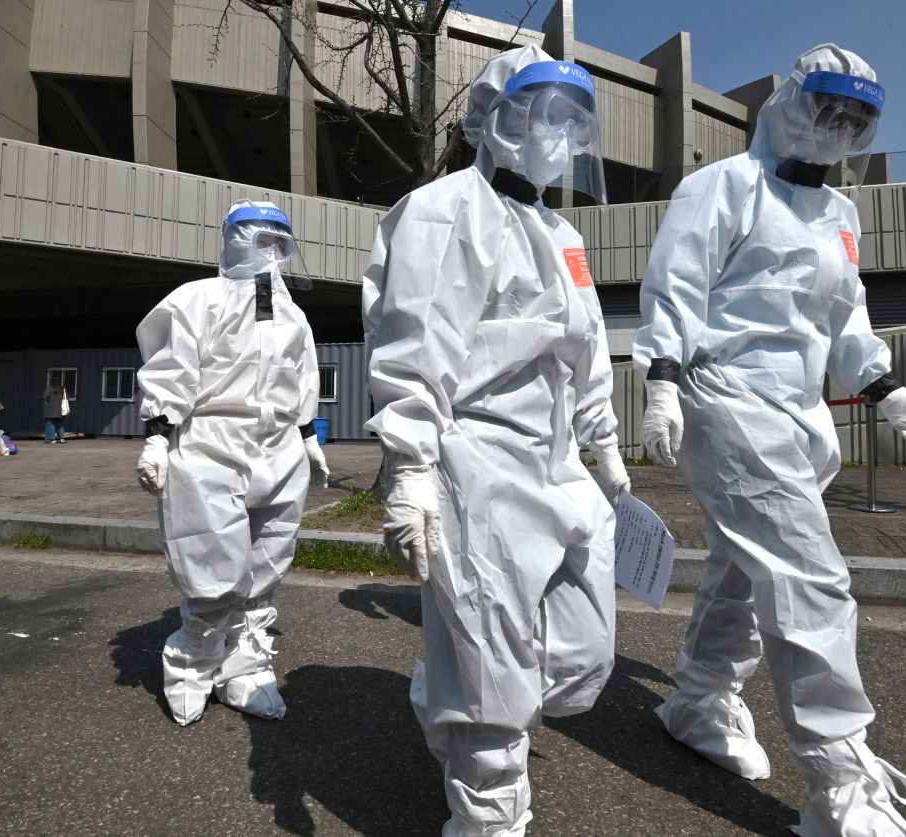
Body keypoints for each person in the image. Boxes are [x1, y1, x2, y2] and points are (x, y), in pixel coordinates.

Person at [633, 44, 906, 837]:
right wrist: (662, 379)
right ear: (788, 103)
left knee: (746, 565)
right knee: (810, 576)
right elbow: (675, 284)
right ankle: (839, 784)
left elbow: (844, 316)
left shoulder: (840, 215)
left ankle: (699, 697)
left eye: (855, 121)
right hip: (726, 395)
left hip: (800, 412)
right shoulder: (724, 188)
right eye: (826, 110)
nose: (836, 130)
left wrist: (884, 387)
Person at [363, 46, 630, 836]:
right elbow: (413, 344)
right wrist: (409, 466)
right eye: (541, 110)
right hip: (472, 462)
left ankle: (451, 683)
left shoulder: (562, 233)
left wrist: (604, 444)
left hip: (556, 467)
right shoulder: (446, 209)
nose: (557, 132)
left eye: (572, 118)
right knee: (494, 682)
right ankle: (487, 813)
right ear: (494, 115)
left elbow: (586, 349)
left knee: (583, 656)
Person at [134, 199, 330, 726]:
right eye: (257, 237)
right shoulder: (196, 299)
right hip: (210, 444)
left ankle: (245, 671)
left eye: (277, 239)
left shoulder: (292, 314)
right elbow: (172, 366)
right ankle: (192, 665)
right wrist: (158, 433)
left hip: (281, 447)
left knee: (267, 564)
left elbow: (301, 376)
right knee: (212, 565)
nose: (267, 249)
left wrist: (308, 434)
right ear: (232, 239)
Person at [40, 375, 67, 444]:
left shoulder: (50, 389)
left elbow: (44, 397)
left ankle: (52, 439)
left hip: (50, 410)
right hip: (60, 410)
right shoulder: (63, 389)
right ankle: (62, 438)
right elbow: (67, 399)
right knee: (60, 424)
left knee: (50, 424)